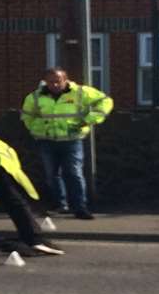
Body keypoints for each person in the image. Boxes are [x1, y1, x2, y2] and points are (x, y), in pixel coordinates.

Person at [21, 67, 112, 218]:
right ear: (45, 82)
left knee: (74, 173)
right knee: (52, 175)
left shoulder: (80, 92)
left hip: (72, 140)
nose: (55, 85)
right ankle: (60, 205)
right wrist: (35, 130)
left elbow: (105, 101)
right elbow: (27, 116)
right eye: (51, 82)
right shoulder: (35, 97)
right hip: (47, 141)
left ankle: (80, 207)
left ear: (65, 80)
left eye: (58, 81)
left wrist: (89, 119)